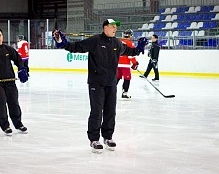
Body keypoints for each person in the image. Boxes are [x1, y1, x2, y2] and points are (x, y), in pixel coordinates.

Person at [52, 19, 148, 153]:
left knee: (110, 111)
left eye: (116, 27)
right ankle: (94, 139)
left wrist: (138, 49)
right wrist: (62, 42)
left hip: (111, 82)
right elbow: (75, 47)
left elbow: (128, 51)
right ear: (105, 27)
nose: (115, 29)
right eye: (112, 26)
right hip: (96, 82)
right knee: (97, 111)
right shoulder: (95, 41)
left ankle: (108, 137)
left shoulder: (116, 43)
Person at [117, 29, 139, 99]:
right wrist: (135, 63)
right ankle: (125, 93)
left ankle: (108, 92)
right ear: (131, 35)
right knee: (127, 78)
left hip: (117, 64)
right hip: (125, 65)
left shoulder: (118, 41)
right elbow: (130, 55)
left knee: (116, 78)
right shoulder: (130, 43)